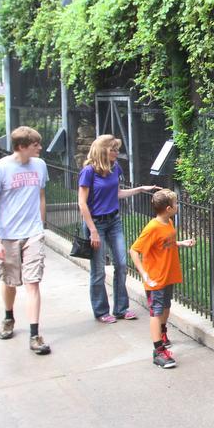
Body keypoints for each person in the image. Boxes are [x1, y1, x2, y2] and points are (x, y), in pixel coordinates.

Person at [0, 126, 51, 355]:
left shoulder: (40, 165)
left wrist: (41, 227)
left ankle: (34, 335)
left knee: (33, 282)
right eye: (36, 145)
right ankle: (8, 316)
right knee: (11, 282)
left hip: (33, 233)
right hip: (8, 235)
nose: (40, 148)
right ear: (22, 147)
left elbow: (41, 196)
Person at [78, 134, 159, 323]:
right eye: (112, 149)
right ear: (102, 150)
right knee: (98, 270)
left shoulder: (115, 168)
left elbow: (117, 193)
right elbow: (82, 203)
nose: (116, 152)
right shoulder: (89, 172)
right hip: (95, 223)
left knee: (121, 265)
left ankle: (121, 309)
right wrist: (93, 231)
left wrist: (140, 190)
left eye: (117, 149)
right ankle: (101, 311)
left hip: (114, 221)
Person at [129, 189, 194, 368]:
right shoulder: (152, 228)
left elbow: (165, 243)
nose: (177, 205)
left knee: (166, 307)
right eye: (176, 203)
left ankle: (162, 334)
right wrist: (144, 274)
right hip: (156, 279)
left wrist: (181, 243)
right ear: (168, 208)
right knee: (156, 313)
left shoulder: (169, 222)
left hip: (168, 275)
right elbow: (134, 250)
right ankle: (158, 352)